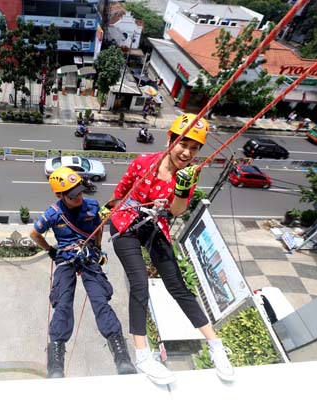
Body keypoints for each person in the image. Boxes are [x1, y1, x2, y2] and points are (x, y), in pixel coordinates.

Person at [102, 113, 234, 383]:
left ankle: (216, 345)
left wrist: (183, 190)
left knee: (177, 284)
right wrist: (106, 213)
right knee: (139, 283)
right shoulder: (143, 163)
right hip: (126, 223)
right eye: (183, 144)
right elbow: (121, 191)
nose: (187, 153)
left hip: (154, 224)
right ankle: (142, 356)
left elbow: (175, 211)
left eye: (195, 148)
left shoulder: (189, 175)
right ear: (170, 140)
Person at [30, 167, 136, 379]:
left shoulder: (92, 206)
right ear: (59, 195)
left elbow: (98, 229)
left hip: (87, 256)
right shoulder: (53, 214)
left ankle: (121, 355)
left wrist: (97, 249)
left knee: (100, 301)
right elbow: (34, 233)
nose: (78, 197)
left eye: (79, 192)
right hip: (66, 259)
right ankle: (56, 361)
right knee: (63, 303)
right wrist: (51, 250)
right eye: (72, 195)